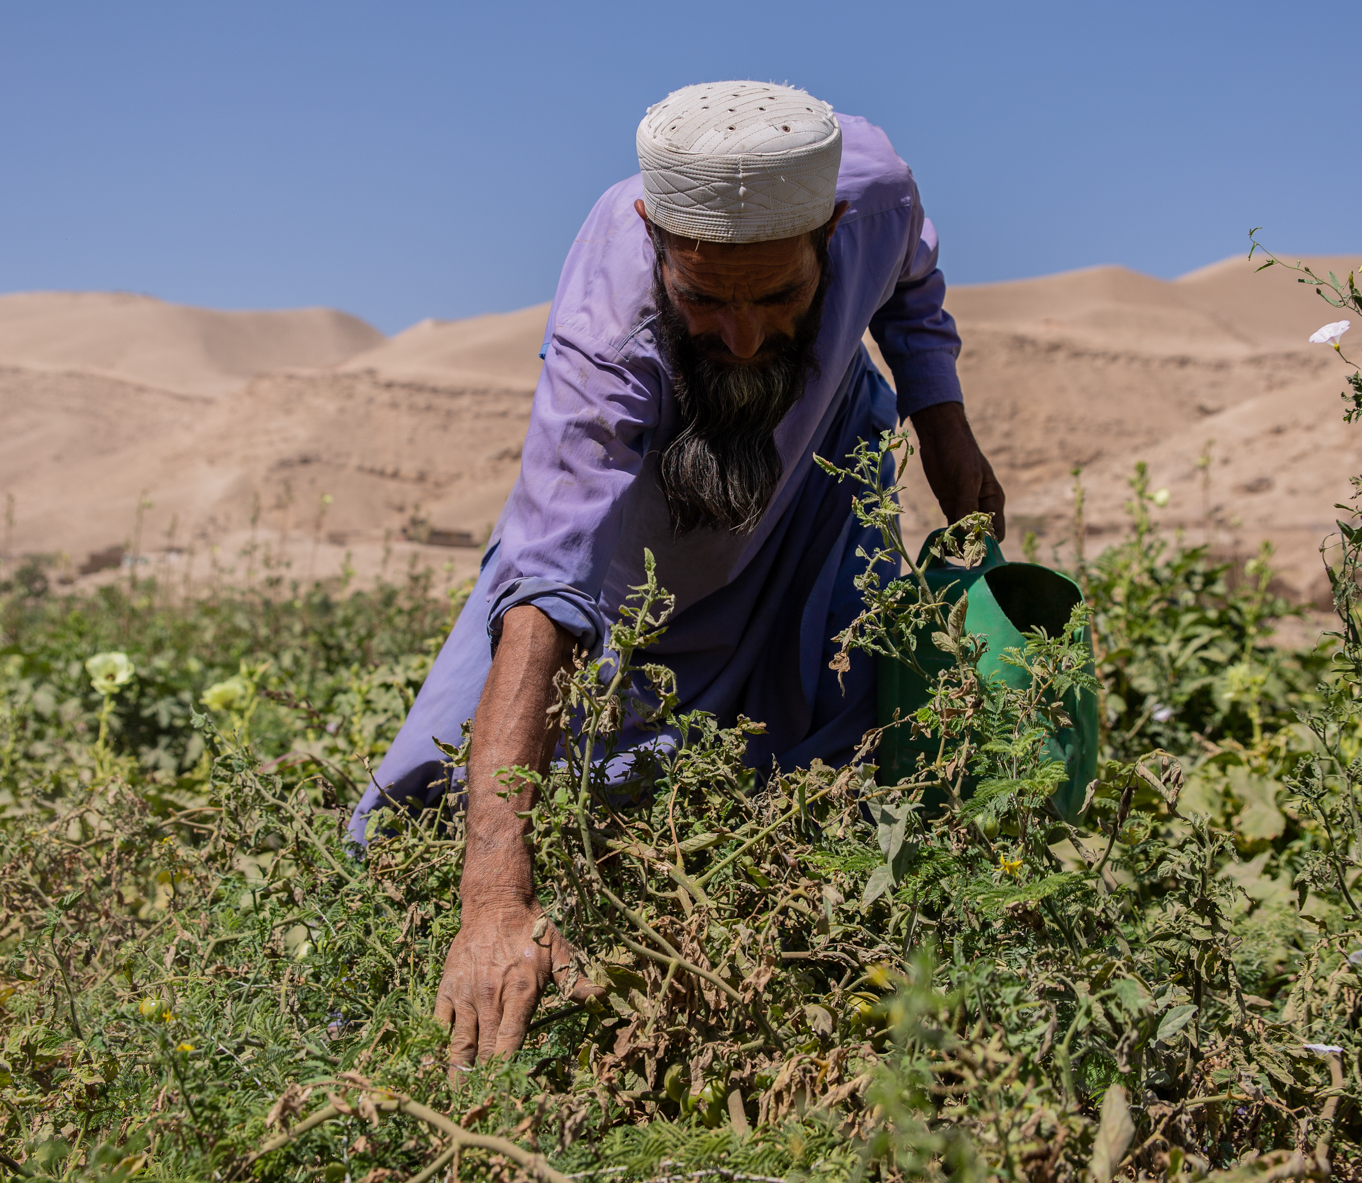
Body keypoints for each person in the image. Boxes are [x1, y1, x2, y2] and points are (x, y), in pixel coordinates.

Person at [349, 82, 1004, 1074]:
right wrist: (493, 895)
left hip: (819, 480)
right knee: (435, 805)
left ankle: (842, 975)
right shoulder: (606, 339)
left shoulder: (873, 190)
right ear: (657, 234)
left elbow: (910, 295)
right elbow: (545, 588)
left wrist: (946, 434)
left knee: (845, 732)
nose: (741, 336)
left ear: (830, 229)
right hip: (649, 528)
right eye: (703, 298)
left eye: (780, 296)